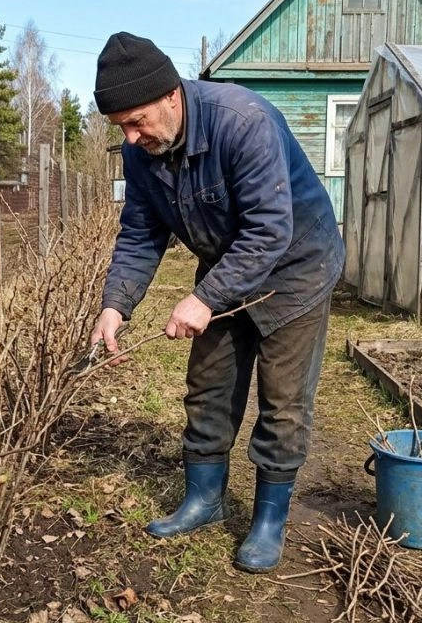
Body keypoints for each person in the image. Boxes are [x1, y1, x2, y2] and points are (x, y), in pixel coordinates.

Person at [89, 32, 346, 573]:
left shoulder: (241, 122)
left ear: (171, 97)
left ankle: (269, 520)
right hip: (230, 265)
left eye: (137, 122)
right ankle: (204, 500)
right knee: (209, 385)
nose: (131, 138)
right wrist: (116, 305)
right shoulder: (143, 152)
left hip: (297, 265)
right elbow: (140, 234)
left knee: (283, 399)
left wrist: (203, 297)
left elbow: (270, 230)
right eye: (122, 129)